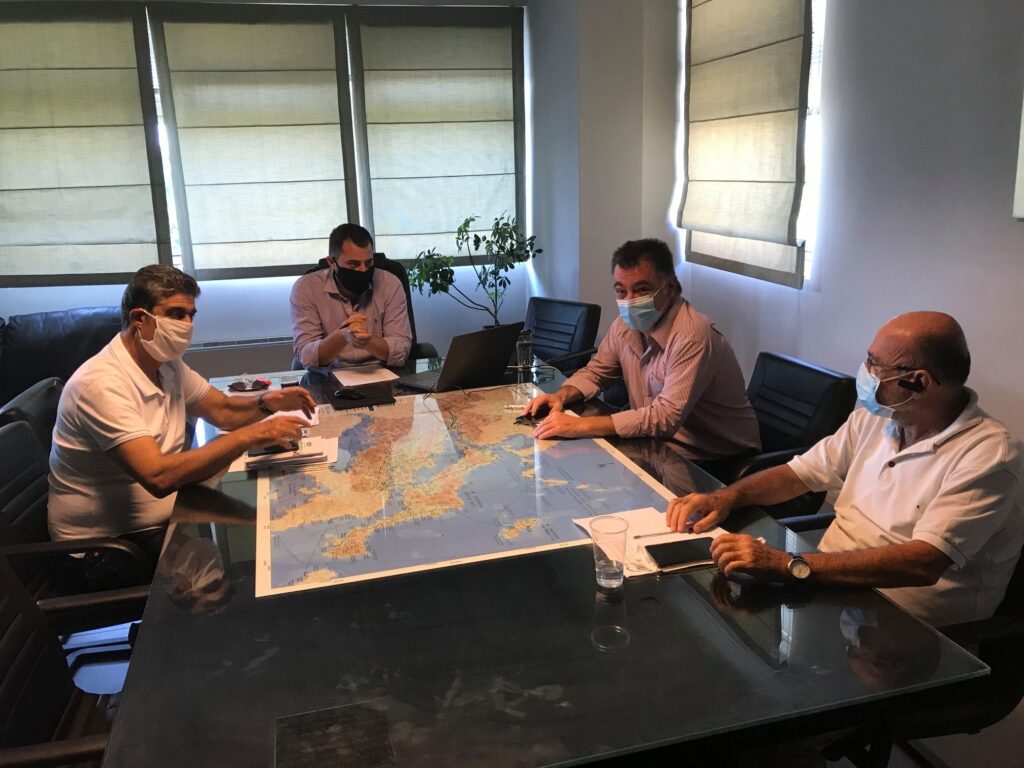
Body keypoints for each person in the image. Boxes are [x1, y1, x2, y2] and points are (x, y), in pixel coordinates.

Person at [666, 311, 1023, 628]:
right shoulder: (875, 419)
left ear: (919, 382)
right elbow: (797, 475)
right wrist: (727, 497)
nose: (864, 373)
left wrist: (789, 564)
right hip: (834, 594)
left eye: (874, 364)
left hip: (916, 630)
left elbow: (923, 563)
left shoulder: (989, 454)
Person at [48, 265, 317, 560]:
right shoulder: (100, 384)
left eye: (191, 314)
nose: (187, 324)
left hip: (171, 513)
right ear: (139, 318)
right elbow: (158, 477)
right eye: (176, 314)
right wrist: (249, 436)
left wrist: (269, 403)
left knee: (274, 524)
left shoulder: (166, 365)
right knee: (254, 554)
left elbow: (223, 410)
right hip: (111, 547)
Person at [522, 238, 760, 462]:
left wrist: (581, 426)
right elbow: (597, 372)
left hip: (714, 459)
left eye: (642, 290)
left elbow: (664, 418)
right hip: (656, 444)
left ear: (669, 287)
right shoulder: (625, 325)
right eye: (621, 291)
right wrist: (560, 396)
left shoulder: (693, 335)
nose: (629, 301)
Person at [289, 223, 412, 369]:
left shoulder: (389, 284)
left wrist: (368, 340)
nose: (363, 270)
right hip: (331, 374)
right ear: (331, 262)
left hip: (383, 372)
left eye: (368, 263)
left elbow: (402, 349)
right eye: (353, 264)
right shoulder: (306, 288)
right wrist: (343, 335)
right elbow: (307, 356)